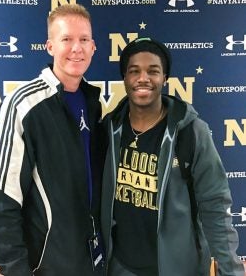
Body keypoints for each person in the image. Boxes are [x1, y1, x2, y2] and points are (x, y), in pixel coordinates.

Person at [101, 37, 245, 276]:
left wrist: (231, 270)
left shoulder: (191, 131)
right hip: (121, 268)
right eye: (134, 71)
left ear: (165, 78)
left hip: (179, 269)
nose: (143, 78)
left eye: (153, 71)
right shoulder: (109, 129)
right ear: (124, 78)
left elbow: (215, 206)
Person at [0, 4, 105, 276]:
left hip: (91, 263)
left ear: (94, 46)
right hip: (47, 267)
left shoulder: (93, 103)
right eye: (67, 39)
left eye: (84, 39)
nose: (77, 48)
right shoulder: (23, 106)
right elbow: (1, 205)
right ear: (50, 47)